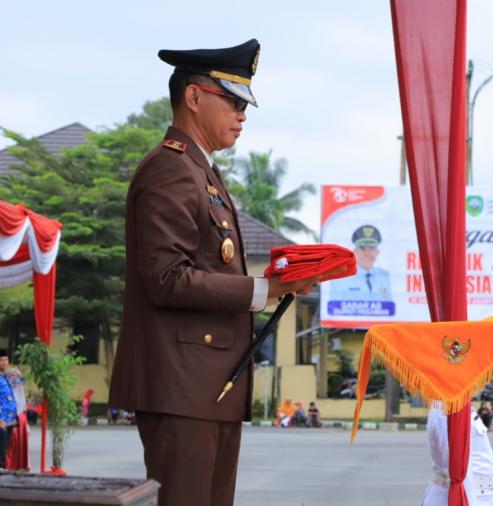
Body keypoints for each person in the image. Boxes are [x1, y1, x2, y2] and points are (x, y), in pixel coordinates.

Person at [108, 39, 319, 506]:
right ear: (194, 97)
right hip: (180, 385)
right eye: (234, 100)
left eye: (245, 105)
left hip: (207, 385)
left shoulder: (201, 172)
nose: (243, 114)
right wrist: (264, 289)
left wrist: (279, 282)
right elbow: (167, 277)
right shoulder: (171, 169)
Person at [423, 404, 493, 505]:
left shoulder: (457, 407)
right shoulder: (452, 411)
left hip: (479, 495)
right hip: (469, 496)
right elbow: (457, 469)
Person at [329, 225, 392, 301]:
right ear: (354, 251)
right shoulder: (341, 277)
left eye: (372, 248)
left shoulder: (384, 276)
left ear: (377, 252)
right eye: (362, 248)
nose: (368, 253)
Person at [3, 367, 29, 470]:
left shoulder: (19, 389)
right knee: (9, 445)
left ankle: (19, 468)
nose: (15, 379)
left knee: (19, 446)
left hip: (20, 419)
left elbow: (22, 404)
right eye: (12, 376)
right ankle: (7, 467)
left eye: (17, 376)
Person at [0, 351, 18, 469]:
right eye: (1, 360)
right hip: (2, 418)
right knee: (1, 444)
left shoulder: (6, 377)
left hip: (10, 417)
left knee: (5, 446)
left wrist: (17, 375)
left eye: (6, 360)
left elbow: (21, 385)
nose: (4, 362)